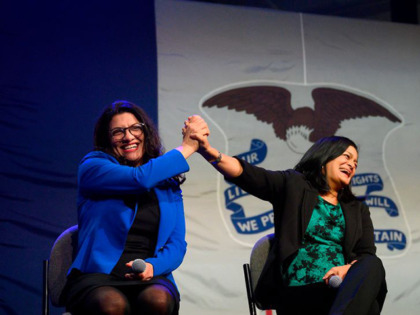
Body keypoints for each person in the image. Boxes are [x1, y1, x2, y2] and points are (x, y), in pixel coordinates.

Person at [184, 116, 387, 314]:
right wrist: (209, 151)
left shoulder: (356, 208)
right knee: (369, 307)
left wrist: (346, 270)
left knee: (373, 266)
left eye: (356, 163)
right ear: (325, 158)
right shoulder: (295, 185)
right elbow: (249, 175)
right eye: (346, 157)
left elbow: (365, 254)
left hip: (340, 286)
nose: (352, 165)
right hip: (299, 288)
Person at [62, 101, 208, 315]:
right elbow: (138, 179)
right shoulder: (93, 167)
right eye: (118, 132)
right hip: (98, 277)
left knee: (157, 300)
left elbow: (177, 244)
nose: (128, 137)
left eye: (135, 128)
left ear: (145, 132)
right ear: (107, 138)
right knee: (112, 305)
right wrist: (187, 147)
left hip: (151, 277)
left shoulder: (167, 183)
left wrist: (153, 267)